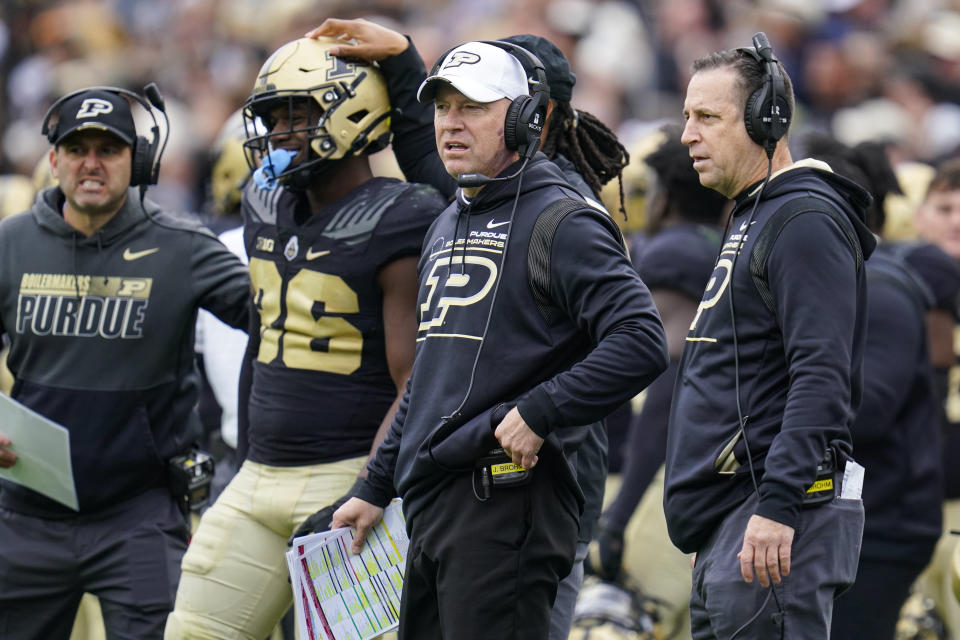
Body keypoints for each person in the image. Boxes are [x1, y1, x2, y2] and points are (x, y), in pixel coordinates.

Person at [302, 20, 632, 639]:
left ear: (524, 120)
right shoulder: (452, 216)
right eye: (444, 107)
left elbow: (639, 341)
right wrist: (375, 484)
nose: (450, 123)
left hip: (512, 498)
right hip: (439, 503)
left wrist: (540, 411)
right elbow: (434, 371)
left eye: (472, 108)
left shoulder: (562, 216)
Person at [164, 37, 446, 639]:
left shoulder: (402, 214)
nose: (280, 130)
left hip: (345, 473)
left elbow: (414, 379)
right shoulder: (263, 201)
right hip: (257, 471)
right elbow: (265, 342)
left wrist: (374, 485)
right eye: (272, 116)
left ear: (355, 112)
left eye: (299, 113)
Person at [0, 85, 250, 639]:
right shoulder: (10, 243)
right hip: (26, 513)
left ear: (134, 162)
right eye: (77, 148)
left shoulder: (181, 246)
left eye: (108, 150)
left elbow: (283, 327)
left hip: (138, 515)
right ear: (53, 159)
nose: (91, 163)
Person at [663, 34, 875, 639]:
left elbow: (821, 374)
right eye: (686, 117)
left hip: (769, 520)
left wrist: (778, 503)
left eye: (707, 117)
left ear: (766, 120)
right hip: (739, 523)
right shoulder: (758, 214)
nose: (687, 136)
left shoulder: (802, 219)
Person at [801, 132, 956, 639]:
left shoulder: (885, 287)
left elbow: (867, 412)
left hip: (885, 523)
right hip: (852, 513)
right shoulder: (848, 278)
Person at [586, 125, 727, 640]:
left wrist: (618, 516)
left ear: (662, 197)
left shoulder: (671, 255)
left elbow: (668, 386)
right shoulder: (723, 249)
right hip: (702, 479)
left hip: (653, 487)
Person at [910, 157, 960, 638]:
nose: (958, 220)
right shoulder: (893, 287)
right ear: (918, 215)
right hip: (911, 501)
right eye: (945, 207)